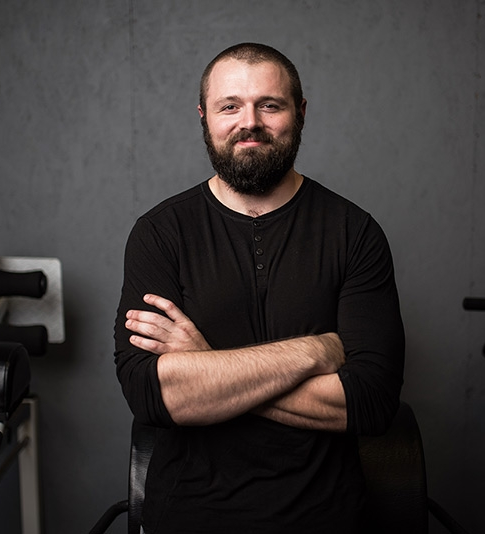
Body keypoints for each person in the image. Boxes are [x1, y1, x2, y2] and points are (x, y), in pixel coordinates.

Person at [114, 42, 405, 534]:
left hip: (325, 520)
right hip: (188, 518)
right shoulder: (160, 234)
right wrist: (315, 351)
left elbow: (371, 401)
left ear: (300, 113)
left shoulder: (355, 232)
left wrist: (205, 364)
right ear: (204, 116)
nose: (249, 122)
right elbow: (153, 396)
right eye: (230, 106)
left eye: (269, 105)